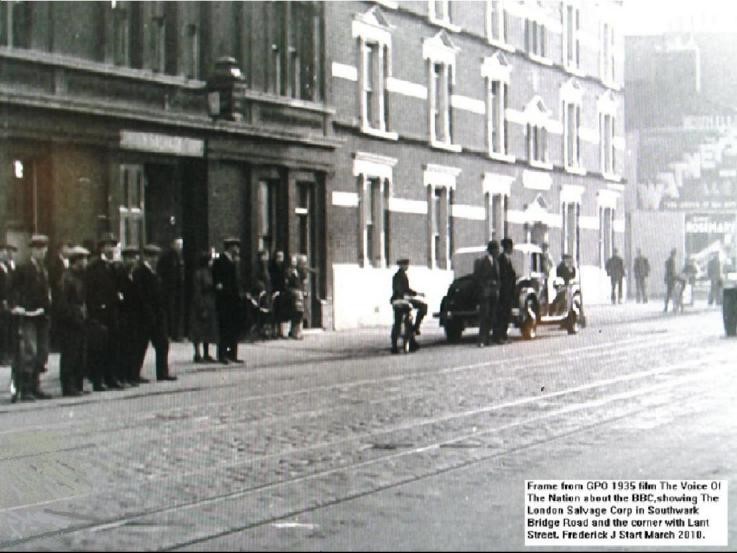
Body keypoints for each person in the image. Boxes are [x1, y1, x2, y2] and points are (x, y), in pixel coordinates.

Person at [10, 234, 52, 401]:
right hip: (28, 315)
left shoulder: (44, 269)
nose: (41, 252)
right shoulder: (23, 268)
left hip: (42, 315)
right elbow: (12, 289)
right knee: (30, 351)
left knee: (42, 352)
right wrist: (15, 306)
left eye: (43, 249)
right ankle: (25, 388)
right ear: (32, 250)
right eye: (38, 249)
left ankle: (35, 386)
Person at [85, 232, 124, 391]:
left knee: (113, 345)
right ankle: (98, 379)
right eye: (107, 245)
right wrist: (95, 308)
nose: (110, 248)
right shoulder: (94, 267)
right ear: (101, 248)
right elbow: (90, 290)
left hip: (113, 311)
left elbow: (119, 286)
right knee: (99, 348)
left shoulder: (115, 266)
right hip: (99, 312)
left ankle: (111, 377)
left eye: (113, 245)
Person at [134, 244, 177, 381]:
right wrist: (148, 311)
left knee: (162, 343)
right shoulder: (140, 272)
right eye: (151, 256)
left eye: (156, 256)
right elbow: (141, 294)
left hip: (157, 315)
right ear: (146, 256)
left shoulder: (154, 271)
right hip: (146, 315)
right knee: (141, 345)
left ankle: (162, 372)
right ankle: (134, 373)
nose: (154, 259)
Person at [57, 246, 90, 396]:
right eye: (83, 259)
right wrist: (73, 317)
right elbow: (64, 303)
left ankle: (77, 385)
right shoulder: (67, 278)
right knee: (70, 354)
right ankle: (69, 386)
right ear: (76, 261)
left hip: (80, 319)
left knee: (80, 354)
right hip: (71, 322)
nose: (86, 262)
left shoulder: (80, 277)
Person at [118, 246, 147, 386]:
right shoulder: (121, 274)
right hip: (125, 315)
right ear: (124, 259)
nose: (133, 261)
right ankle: (126, 375)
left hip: (136, 315)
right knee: (126, 347)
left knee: (135, 346)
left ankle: (133, 374)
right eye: (130, 258)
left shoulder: (135, 274)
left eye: (135, 257)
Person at [212, 237, 244, 364]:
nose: (237, 249)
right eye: (235, 247)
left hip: (234, 300)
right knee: (225, 328)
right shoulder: (220, 260)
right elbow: (217, 279)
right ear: (230, 247)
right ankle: (222, 354)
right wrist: (220, 288)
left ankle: (233, 354)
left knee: (233, 328)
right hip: (225, 301)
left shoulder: (235, 262)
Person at [390, 258, 427, 354]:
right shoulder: (398, 276)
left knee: (403, 321)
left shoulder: (401, 275)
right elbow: (401, 290)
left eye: (407, 265)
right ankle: (414, 330)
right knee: (422, 308)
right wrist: (410, 295)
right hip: (399, 300)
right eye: (405, 265)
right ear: (401, 265)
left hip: (402, 299)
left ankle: (413, 334)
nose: (407, 266)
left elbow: (406, 289)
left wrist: (417, 294)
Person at [190, 251, 218, 362]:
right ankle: (197, 354)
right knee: (198, 329)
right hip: (201, 302)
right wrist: (201, 307)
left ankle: (206, 353)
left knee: (208, 329)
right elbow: (197, 291)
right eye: (210, 260)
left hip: (209, 302)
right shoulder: (199, 274)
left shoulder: (210, 272)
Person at [157, 237, 185, 341]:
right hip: (169, 288)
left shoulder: (179, 256)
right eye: (178, 245)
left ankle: (176, 334)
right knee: (170, 311)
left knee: (176, 311)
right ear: (173, 244)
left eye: (181, 245)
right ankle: (170, 334)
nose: (180, 247)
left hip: (177, 288)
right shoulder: (168, 256)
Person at [473, 241, 500, 348]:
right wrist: (484, 286)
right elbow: (478, 277)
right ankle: (482, 339)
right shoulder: (482, 262)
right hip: (485, 293)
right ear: (492, 250)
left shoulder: (496, 262)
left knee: (492, 316)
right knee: (485, 316)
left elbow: (498, 277)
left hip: (493, 293)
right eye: (496, 249)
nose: (498, 252)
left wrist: (497, 287)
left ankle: (488, 339)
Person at [493, 238, 517, 345]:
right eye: (510, 247)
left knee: (506, 315)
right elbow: (501, 276)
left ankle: (503, 335)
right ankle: (499, 336)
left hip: (508, 292)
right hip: (503, 292)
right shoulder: (501, 259)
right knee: (501, 315)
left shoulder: (507, 259)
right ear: (507, 248)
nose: (512, 249)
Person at [0, 244, 17, 366]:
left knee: (9, 328)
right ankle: (3, 356)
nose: (6, 254)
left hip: (9, 300)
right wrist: (4, 300)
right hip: (2, 301)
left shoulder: (7, 267)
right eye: (3, 252)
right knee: (3, 330)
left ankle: (8, 354)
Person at [286, 255, 306, 340]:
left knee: (299, 313)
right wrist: (293, 291)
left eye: (295, 262)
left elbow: (301, 282)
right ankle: (294, 333)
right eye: (292, 261)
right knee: (295, 313)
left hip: (299, 295)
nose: (293, 263)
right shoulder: (288, 272)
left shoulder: (299, 271)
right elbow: (287, 285)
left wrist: (302, 291)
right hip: (293, 295)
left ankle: (298, 332)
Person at [269, 250, 288, 338]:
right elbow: (274, 279)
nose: (281, 259)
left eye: (282, 257)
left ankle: (281, 332)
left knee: (281, 312)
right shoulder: (273, 267)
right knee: (275, 312)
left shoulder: (283, 267)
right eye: (280, 257)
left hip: (282, 292)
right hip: (275, 291)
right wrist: (275, 291)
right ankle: (274, 332)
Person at [664, 248, 678, 313]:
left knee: (668, 293)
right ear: (674, 254)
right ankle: (674, 307)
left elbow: (667, 271)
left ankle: (666, 307)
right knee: (673, 294)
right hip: (672, 279)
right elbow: (672, 271)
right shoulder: (672, 261)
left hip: (668, 279)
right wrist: (676, 276)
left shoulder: (668, 260)